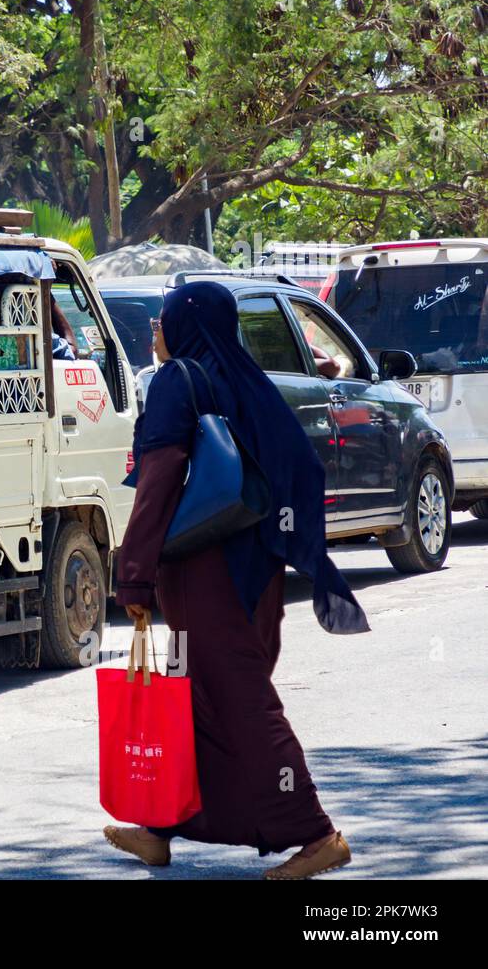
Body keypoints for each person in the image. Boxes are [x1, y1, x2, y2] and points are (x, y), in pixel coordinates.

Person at [105, 281, 368, 880]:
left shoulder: (177, 381)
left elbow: (160, 478)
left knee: (242, 702)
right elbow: (297, 467)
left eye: (160, 323)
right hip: (252, 570)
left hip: (206, 576)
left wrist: (135, 576)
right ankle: (161, 827)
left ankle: (316, 833)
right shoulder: (246, 379)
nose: (154, 335)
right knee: (197, 700)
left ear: (184, 324)